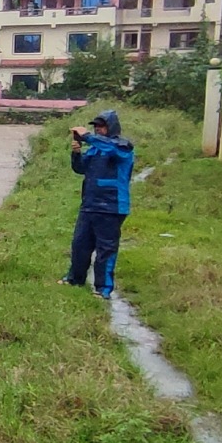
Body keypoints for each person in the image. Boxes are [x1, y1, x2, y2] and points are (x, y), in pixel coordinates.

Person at [60, 110, 134, 300]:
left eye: (102, 126)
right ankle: (75, 279)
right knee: (80, 245)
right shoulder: (95, 148)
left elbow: (109, 147)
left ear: (112, 127)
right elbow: (80, 169)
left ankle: (103, 288)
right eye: (96, 127)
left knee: (105, 249)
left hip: (112, 206)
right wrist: (76, 153)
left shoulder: (122, 147)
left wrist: (87, 136)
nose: (98, 130)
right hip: (90, 204)